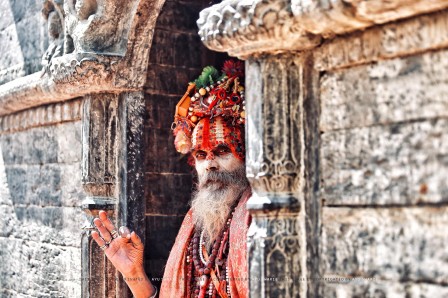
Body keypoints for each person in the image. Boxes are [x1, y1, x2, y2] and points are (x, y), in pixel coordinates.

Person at [92, 61, 250, 297]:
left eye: (221, 151)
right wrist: (134, 275)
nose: (210, 164)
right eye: (200, 155)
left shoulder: (257, 218)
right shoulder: (193, 225)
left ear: (246, 155)